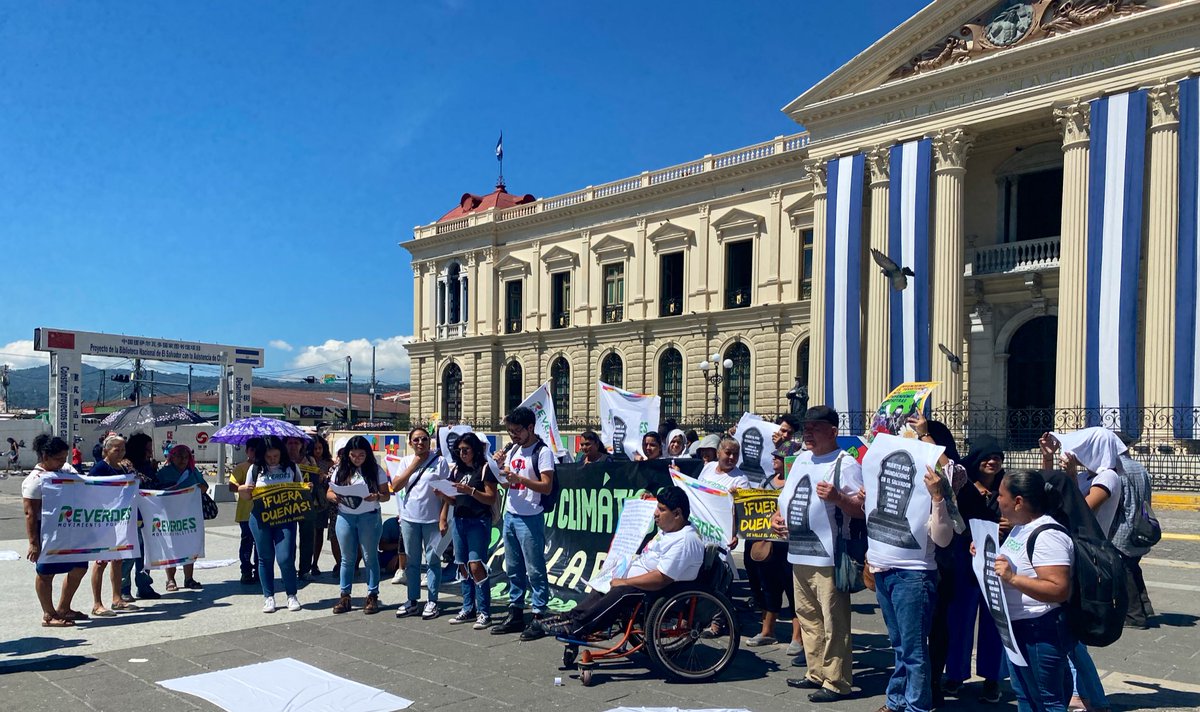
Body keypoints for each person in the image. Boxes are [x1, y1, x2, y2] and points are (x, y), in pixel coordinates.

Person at [771, 405, 864, 703]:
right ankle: (816, 671)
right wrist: (776, 517)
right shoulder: (799, 459)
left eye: (815, 428)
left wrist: (837, 497)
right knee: (808, 617)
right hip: (799, 553)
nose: (807, 433)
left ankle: (837, 681)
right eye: (806, 428)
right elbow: (784, 498)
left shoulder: (845, 463)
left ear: (833, 432)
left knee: (833, 620)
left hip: (829, 556)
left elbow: (861, 510)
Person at [866, 428, 956, 712]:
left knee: (914, 649)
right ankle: (897, 700)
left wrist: (938, 498)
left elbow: (943, 538)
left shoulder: (938, 482)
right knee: (900, 645)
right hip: (884, 570)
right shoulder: (883, 485)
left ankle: (917, 706)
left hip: (914, 575)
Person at [539, 486, 704, 636]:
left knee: (621, 590)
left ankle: (579, 626)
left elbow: (661, 578)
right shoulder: (671, 529)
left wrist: (625, 581)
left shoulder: (685, 541)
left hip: (659, 590)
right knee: (604, 583)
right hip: (641, 579)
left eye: (661, 510)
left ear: (677, 514)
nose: (655, 513)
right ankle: (571, 617)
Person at [1041, 429, 1120, 712]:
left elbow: (1079, 510)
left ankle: (1086, 695)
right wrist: (1049, 463)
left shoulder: (1107, 476)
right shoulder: (1088, 476)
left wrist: (1071, 476)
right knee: (1069, 631)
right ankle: (1086, 694)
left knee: (1073, 632)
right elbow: (1053, 496)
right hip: (1073, 552)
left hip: (1088, 558)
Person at [991, 470, 1075, 712]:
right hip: (1018, 628)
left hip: (1040, 629)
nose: (997, 500)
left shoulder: (1047, 535)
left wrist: (1012, 578)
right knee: (1026, 697)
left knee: (1048, 701)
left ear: (1018, 501)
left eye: (1001, 495)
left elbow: (1058, 589)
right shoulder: (1020, 527)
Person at [942, 435, 1008, 703]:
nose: (992, 461)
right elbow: (945, 467)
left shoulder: (1008, 484)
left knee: (995, 620)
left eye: (997, 457)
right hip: (964, 557)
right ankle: (955, 675)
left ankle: (992, 678)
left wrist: (1010, 525)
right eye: (986, 457)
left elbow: (1024, 510)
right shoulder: (964, 484)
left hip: (997, 559)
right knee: (960, 618)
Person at [491, 406, 555, 640]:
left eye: (517, 431)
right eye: (510, 431)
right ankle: (515, 609)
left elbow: (546, 486)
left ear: (530, 428)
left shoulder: (542, 452)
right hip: (511, 513)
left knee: (535, 568)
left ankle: (539, 613)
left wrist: (520, 479)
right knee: (513, 566)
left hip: (530, 517)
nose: (513, 436)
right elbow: (507, 484)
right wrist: (500, 468)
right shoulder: (515, 449)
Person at [23, 434, 89, 627]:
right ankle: (49, 614)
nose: (62, 462)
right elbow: (30, 513)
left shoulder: (66, 469)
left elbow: (85, 484)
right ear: (45, 456)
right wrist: (34, 543)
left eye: (64, 458)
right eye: (58, 458)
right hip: (47, 532)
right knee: (46, 573)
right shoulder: (34, 480)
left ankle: (64, 607)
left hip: (71, 529)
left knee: (80, 567)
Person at [744, 449, 802, 655]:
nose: (775, 459)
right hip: (768, 542)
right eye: (775, 456)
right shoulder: (766, 481)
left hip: (789, 544)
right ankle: (767, 630)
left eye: (780, 457)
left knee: (792, 588)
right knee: (769, 587)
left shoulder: (796, 482)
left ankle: (798, 636)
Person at [239, 435, 304, 613]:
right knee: (265, 558)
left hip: (286, 518)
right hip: (260, 518)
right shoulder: (255, 469)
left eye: (275, 456)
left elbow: (300, 488)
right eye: (269, 457)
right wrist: (243, 490)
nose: (272, 460)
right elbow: (247, 496)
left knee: (285, 557)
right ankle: (269, 596)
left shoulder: (291, 467)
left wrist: (306, 489)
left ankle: (291, 594)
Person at [328, 435, 391, 615]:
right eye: (353, 455)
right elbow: (329, 492)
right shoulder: (340, 470)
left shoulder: (375, 470)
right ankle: (345, 595)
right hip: (345, 515)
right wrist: (334, 496)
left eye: (361, 455)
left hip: (368, 516)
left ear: (367, 454)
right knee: (346, 558)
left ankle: (372, 594)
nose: (357, 459)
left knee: (369, 556)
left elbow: (386, 494)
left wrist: (376, 496)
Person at [390, 427, 449, 620]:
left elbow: (447, 493)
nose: (420, 443)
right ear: (410, 443)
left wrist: (443, 518)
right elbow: (396, 486)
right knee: (412, 562)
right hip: (409, 518)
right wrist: (413, 464)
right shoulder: (406, 461)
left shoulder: (439, 462)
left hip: (432, 519)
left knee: (433, 561)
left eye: (424, 439)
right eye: (416, 440)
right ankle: (412, 600)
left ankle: (432, 600)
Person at [443, 432, 499, 629]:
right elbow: (452, 499)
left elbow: (490, 497)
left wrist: (470, 491)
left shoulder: (484, 469)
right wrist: (443, 493)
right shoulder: (457, 469)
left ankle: (484, 611)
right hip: (459, 519)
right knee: (462, 565)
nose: (462, 453)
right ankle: (468, 608)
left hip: (478, 521)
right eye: (459, 450)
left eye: (465, 450)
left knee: (476, 565)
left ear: (475, 450)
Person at [88, 435, 137, 616]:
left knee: (118, 559)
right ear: (106, 450)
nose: (121, 453)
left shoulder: (123, 467)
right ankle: (97, 603)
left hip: (119, 520)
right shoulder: (100, 468)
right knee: (101, 562)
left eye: (123, 449)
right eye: (117, 449)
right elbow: (89, 490)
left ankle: (117, 598)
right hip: (103, 520)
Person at [1111, 440, 1155, 628]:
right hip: (1140, 527)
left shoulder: (1117, 470)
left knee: (1125, 572)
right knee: (1133, 568)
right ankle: (1145, 607)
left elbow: (1115, 503)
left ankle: (1135, 616)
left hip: (1123, 529)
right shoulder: (1140, 468)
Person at [156, 445, 208, 591]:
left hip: (189, 515)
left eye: (186, 457)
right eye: (179, 456)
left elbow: (204, 487)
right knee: (169, 546)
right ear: (171, 457)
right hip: (169, 515)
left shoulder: (192, 471)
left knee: (189, 545)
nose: (182, 460)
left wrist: (195, 488)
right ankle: (170, 580)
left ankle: (189, 578)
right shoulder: (164, 473)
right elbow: (156, 491)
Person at [121, 432, 160, 601]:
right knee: (130, 554)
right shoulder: (126, 464)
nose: (150, 452)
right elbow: (140, 482)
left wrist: (153, 469)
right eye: (148, 449)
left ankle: (144, 585)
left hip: (147, 514)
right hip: (131, 515)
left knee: (145, 553)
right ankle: (124, 588)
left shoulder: (146, 464)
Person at [228, 437, 263, 585]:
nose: (254, 453)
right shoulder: (241, 467)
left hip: (262, 512)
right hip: (245, 513)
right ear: (247, 451)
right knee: (247, 542)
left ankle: (259, 571)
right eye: (252, 450)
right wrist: (243, 487)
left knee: (260, 544)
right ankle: (246, 570)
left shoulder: (265, 467)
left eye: (257, 450)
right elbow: (231, 486)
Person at [288, 436, 322, 580]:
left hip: (306, 504)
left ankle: (305, 569)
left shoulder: (310, 460)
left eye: (296, 443)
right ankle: (289, 569)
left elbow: (315, 479)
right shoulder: (282, 461)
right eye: (290, 443)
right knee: (289, 539)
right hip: (287, 505)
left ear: (302, 445)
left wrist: (317, 479)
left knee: (307, 537)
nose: (293, 446)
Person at [310, 434, 336, 576]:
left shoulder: (329, 462)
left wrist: (325, 476)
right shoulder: (307, 461)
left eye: (320, 448)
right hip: (311, 501)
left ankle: (315, 563)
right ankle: (309, 562)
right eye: (315, 448)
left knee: (320, 532)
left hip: (325, 502)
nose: (318, 451)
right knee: (311, 533)